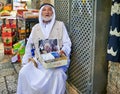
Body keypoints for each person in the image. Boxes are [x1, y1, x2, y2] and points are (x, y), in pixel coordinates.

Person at [17, 3, 72, 94]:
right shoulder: (36, 28)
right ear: (40, 13)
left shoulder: (60, 25)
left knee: (58, 74)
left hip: (56, 61)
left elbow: (67, 43)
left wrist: (63, 51)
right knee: (24, 72)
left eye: (49, 10)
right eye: (44, 10)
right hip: (39, 61)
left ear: (53, 13)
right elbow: (29, 46)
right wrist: (26, 61)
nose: (47, 12)